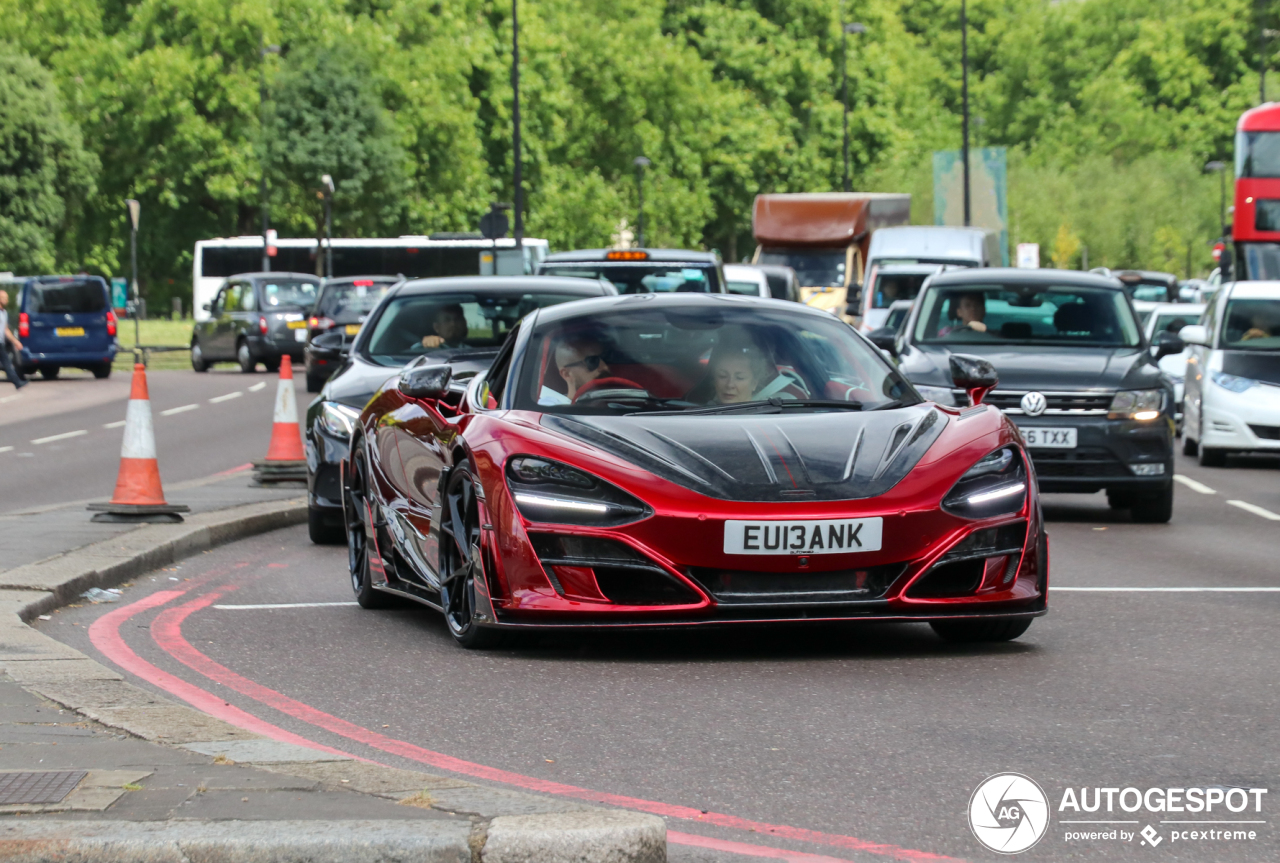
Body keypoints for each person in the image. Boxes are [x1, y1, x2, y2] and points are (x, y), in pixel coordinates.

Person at [706, 333, 804, 404]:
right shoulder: (701, 412)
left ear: (754, 383)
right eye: (722, 376)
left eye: (739, 377)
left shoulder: (776, 410)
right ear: (714, 380)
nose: (730, 385)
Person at [0, 289, 28, 390]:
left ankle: (17, 383)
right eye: (4, 298)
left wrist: (15, 341)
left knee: (7, 363)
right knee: (7, 363)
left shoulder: (4, 313)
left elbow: (6, 330)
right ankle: (17, 383)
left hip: (1, 342)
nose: (7, 300)